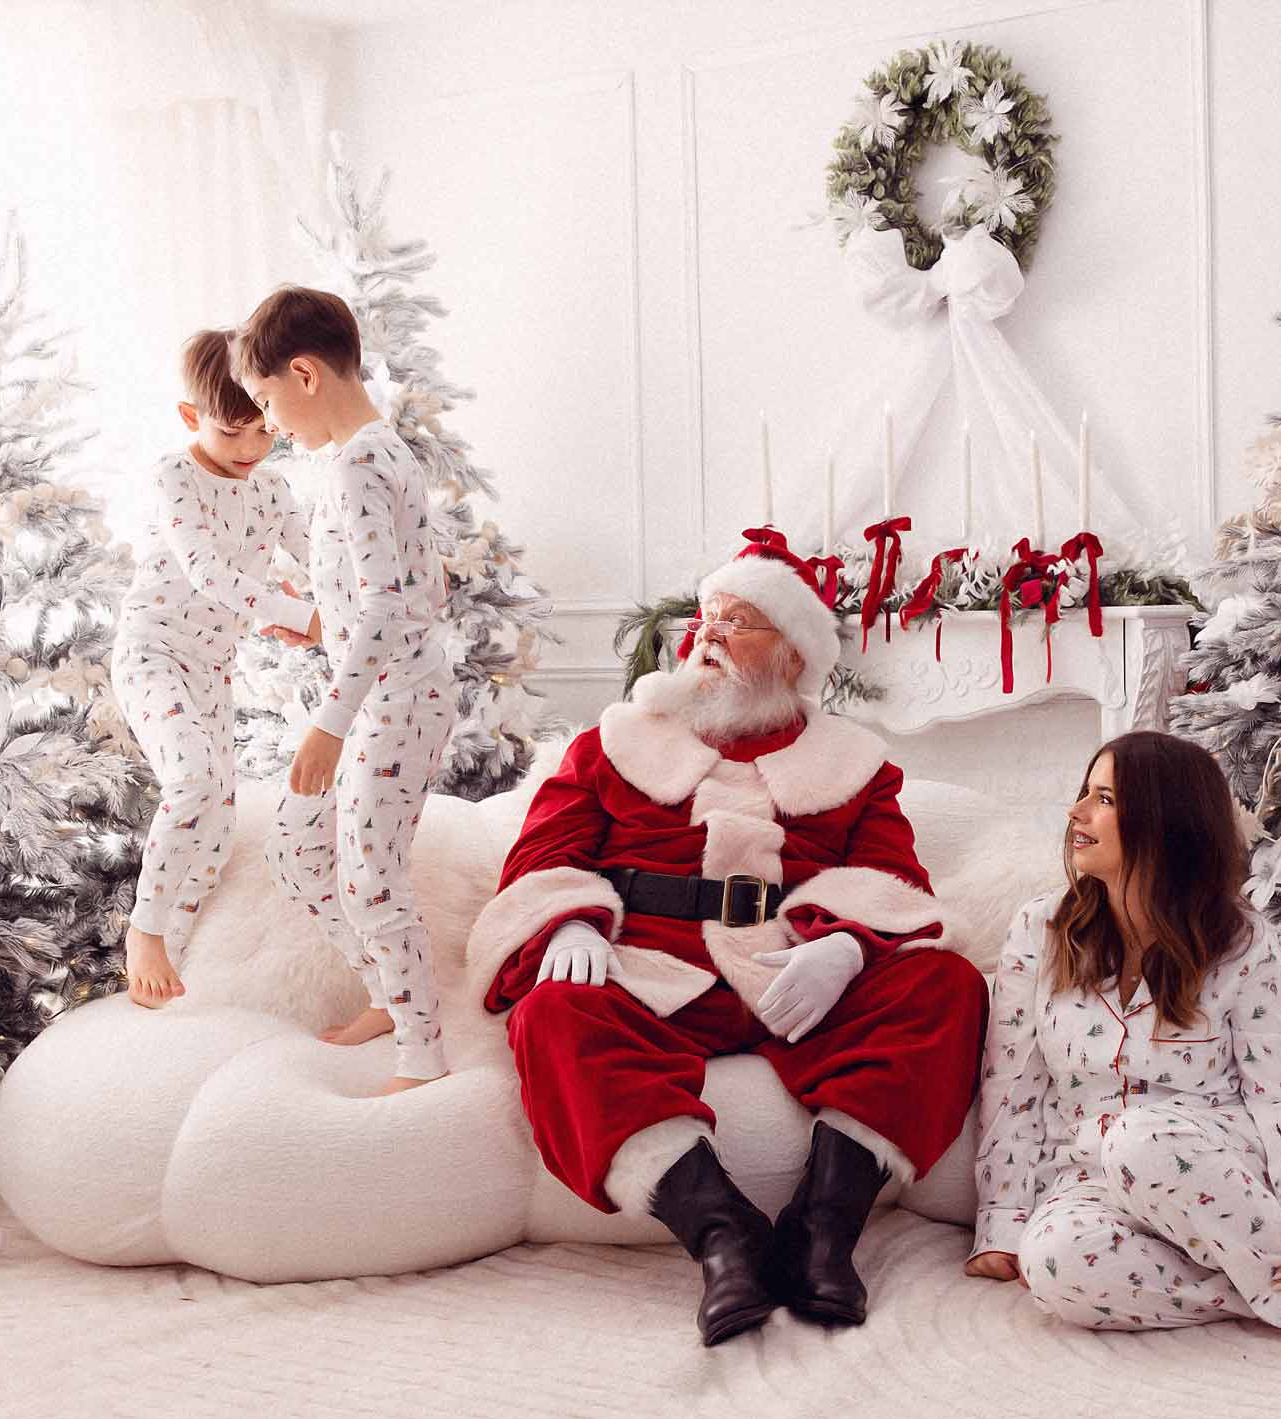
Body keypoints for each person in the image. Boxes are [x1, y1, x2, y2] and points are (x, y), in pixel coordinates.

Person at [467, 531, 988, 1345]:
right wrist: (568, 919)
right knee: (553, 1013)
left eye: (738, 621)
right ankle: (724, 1240)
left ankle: (823, 1231)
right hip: (652, 971)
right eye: (706, 616)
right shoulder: (611, 743)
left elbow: (893, 878)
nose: (707, 633)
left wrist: (846, 945)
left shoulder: (855, 764)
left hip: (794, 974)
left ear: (793, 656)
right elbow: (543, 853)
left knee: (947, 986)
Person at [966, 730, 1281, 1366]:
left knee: (1137, 1138)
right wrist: (1002, 1221)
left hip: (1205, 1161)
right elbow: (1014, 1086)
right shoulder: (1041, 930)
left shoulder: (1242, 943)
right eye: (1085, 793)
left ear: (1163, 821)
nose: (1076, 812)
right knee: (1054, 1265)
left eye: (1103, 799)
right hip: (1086, 1172)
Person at [233, 286, 458, 1093]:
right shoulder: (365, 454)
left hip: (396, 702)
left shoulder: (363, 463)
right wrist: (319, 624)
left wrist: (329, 724)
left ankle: (422, 1054)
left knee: (370, 875)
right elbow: (402, 590)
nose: (269, 424)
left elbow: (391, 608)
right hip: (380, 691)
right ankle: (388, 995)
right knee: (296, 849)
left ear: (304, 374)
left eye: (266, 401)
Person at [115, 329, 316, 1007]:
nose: (251, 448)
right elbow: (208, 572)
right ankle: (145, 932)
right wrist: (294, 614)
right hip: (152, 655)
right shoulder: (175, 478)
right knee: (194, 780)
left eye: (265, 432)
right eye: (232, 432)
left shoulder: (272, 490)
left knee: (218, 827)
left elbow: (316, 554)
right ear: (190, 416)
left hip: (211, 671)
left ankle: (172, 962)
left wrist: (343, 601)